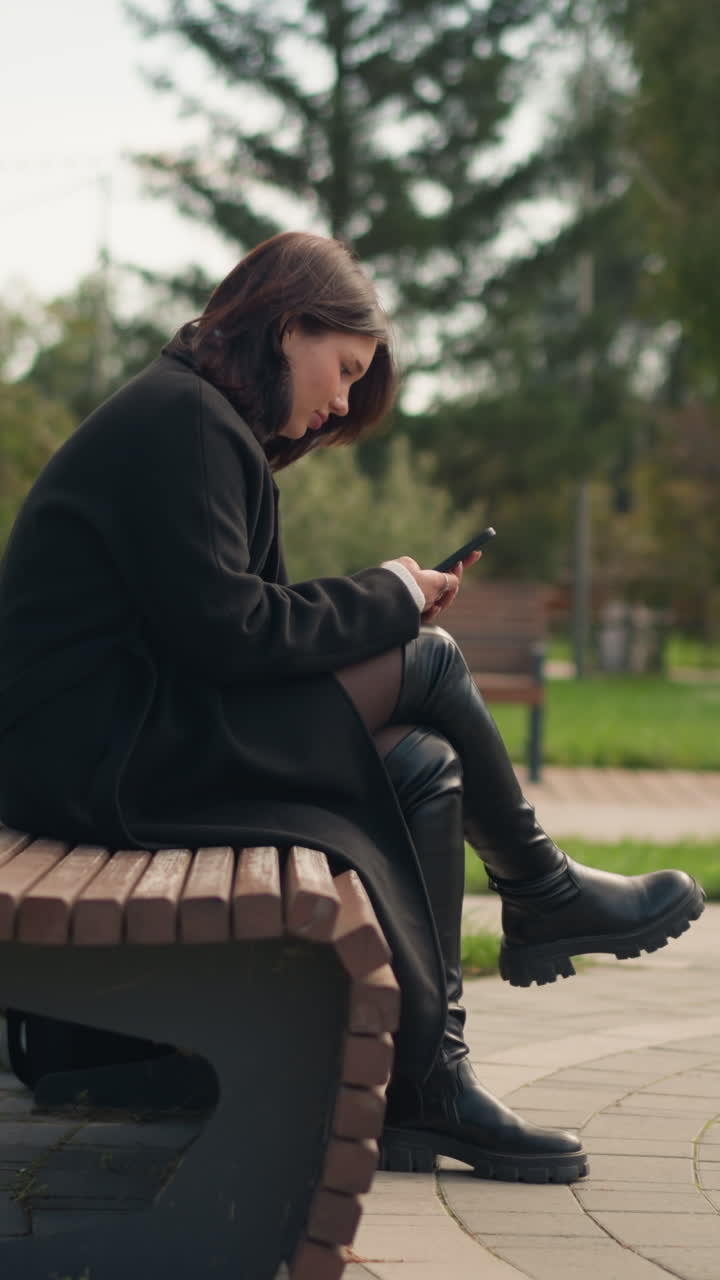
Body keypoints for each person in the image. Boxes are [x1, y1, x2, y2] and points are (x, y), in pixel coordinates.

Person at [0, 231, 704, 1184]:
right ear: (289, 326)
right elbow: (235, 636)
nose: (338, 401)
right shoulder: (185, 421)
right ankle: (540, 892)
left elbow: (232, 633)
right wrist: (389, 597)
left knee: (421, 761)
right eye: (343, 369)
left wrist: (386, 597)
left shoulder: (195, 417)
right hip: (101, 758)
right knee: (434, 665)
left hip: (125, 735)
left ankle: (431, 1082)